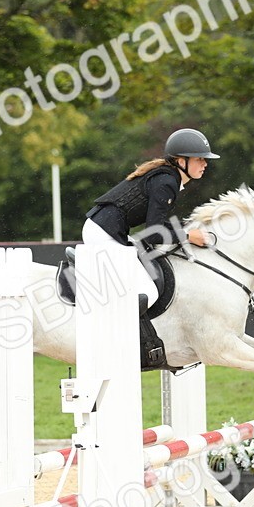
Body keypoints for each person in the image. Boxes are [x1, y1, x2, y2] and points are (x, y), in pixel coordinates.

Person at [82, 128, 219, 368]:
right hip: (103, 234)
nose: (205, 163)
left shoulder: (168, 178)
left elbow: (155, 229)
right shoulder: (167, 181)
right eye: (199, 159)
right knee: (148, 289)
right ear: (181, 161)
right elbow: (155, 232)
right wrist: (188, 236)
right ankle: (121, 345)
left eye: (205, 159)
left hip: (108, 230)